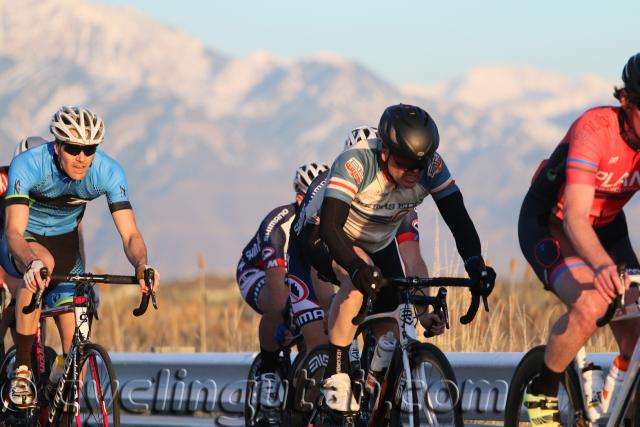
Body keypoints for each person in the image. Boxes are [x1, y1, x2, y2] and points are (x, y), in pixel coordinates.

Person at [296, 104, 495, 414]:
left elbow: (459, 221)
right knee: (360, 280)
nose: (414, 171)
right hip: (328, 234)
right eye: (405, 163)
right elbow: (333, 228)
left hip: (378, 240)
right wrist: (357, 268)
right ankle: (337, 378)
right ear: (386, 152)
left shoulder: (432, 167)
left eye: (421, 163)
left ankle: (372, 402)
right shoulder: (356, 164)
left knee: (391, 326)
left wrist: (475, 265)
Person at [2, 106, 160, 408]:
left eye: (89, 149)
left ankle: (64, 403)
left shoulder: (108, 171)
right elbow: (13, 233)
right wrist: (30, 262)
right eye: (74, 148)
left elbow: (130, 235)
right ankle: (21, 369)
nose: (82, 158)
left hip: (66, 245)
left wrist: (142, 265)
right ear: (57, 145)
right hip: (27, 240)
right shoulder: (29, 164)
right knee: (41, 266)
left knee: (74, 341)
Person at [518, 53, 640, 426]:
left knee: (635, 326)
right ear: (626, 101)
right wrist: (602, 266)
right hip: (551, 222)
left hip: (606, 226)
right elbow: (574, 217)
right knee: (591, 305)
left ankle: (613, 407)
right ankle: (541, 391)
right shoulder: (595, 130)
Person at [287, 127, 445, 353]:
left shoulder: (400, 199)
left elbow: (413, 260)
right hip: (312, 248)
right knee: (323, 335)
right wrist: (330, 306)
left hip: (366, 249)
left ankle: (379, 380)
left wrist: (423, 312)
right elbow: (320, 253)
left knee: (391, 329)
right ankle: (333, 374)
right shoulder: (333, 185)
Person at [236, 162, 329, 406]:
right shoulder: (278, 224)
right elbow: (276, 283)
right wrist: (288, 315)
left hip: (296, 272)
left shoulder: (327, 221)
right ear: (301, 198)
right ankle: (268, 371)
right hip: (256, 271)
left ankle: (303, 392)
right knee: (279, 304)